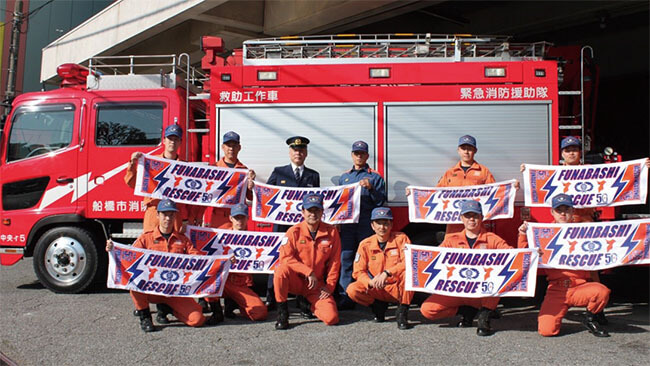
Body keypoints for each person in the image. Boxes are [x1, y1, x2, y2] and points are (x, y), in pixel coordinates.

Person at [105, 199, 216, 332]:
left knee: (197, 320)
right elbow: (129, 256)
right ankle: (145, 316)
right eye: (164, 214)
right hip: (153, 290)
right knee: (134, 282)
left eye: (171, 214)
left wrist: (223, 260)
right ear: (158, 215)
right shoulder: (146, 238)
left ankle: (170, 309)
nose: (168, 218)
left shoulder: (183, 240)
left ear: (175, 216)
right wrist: (113, 249)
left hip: (175, 291)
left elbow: (199, 260)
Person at [124, 124, 197, 322]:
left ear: (180, 142)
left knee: (172, 259)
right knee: (151, 259)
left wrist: (188, 218)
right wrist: (133, 163)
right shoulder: (150, 163)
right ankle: (146, 306)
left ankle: (166, 306)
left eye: (176, 139)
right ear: (163, 140)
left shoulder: (186, 167)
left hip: (176, 214)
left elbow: (191, 196)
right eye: (169, 138)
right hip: (154, 213)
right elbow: (131, 182)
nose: (172, 142)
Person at [517, 194, 610, 337]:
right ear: (552, 212)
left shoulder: (584, 231)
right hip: (557, 289)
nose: (562, 213)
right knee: (547, 331)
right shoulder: (543, 233)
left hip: (580, 287)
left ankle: (590, 318)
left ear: (573, 211)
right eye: (558, 210)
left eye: (566, 209)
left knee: (601, 291)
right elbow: (524, 254)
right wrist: (523, 234)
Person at [419, 200, 512, 336]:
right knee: (427, 310)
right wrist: (410, 252)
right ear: (461, 218)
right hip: (457, 290)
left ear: (481, 218)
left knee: (497, 281)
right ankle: (466, 311)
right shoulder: (452, 240)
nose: (472, 219)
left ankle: (484, 316)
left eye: (475, 215)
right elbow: (434, 257)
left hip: (482, 292)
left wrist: (529, 247)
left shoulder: (492, 239)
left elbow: (513, 256)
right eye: (468, 216)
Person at [265, 136, 320, 314]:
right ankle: (272, 298)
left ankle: (302, 300)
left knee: (303, 260)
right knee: (276, 259)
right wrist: (252, 186)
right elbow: (265, 195)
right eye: (295, 150)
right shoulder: (279, 172)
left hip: (302, 228)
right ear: (290, 153)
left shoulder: (313, 175)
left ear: (306, 153)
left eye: (301, 150)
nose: (298, 153)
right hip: (281, 227)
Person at [273, 193, 341, 329]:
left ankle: (307, 304)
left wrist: (330, 287)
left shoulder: (332, 232)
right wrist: (308, 272)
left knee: (331, 318)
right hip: (297, 280)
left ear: (322, 212)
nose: (313, 214)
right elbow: (285, 258)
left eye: (317, 210)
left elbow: (335, 262)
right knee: (280, 271)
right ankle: (282, 312)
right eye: (310, 210)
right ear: (303, 212)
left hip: (317, 285)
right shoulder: (294, 232)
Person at [336, 140, 386, 310]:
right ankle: (346, 296)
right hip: (348, 225)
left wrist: (371, 188)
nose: (359, 156)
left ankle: (370, 295)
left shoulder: (375, 177)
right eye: (356, 153)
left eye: (362, 153)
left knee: (369, 261)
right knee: (346, 258)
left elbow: (380, 201)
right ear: (352, 155)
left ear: (367, 156)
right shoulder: (345, 177)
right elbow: (338, 202)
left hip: (366, 224)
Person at [346, 207, 412, 329]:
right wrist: (370, 282)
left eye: (386, 223)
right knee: (352, 289)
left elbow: (409, 262)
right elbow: (358, 271)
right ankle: (377, 306)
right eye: (379, 223)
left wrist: (387, 273)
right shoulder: (365, 244)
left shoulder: (401, 239)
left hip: (396, 288)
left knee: (410, 274)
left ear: (391, 224)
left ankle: (402, 312)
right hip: (376, 287)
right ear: (372, 225)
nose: (382, 227)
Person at [204, 203, 268, 322]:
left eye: (242, 217)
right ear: (230, 218)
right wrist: (224, 260)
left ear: (248, 218)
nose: (239, 221)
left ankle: (236, 305)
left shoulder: (255, 238)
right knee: (208, 279)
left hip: (240, 284)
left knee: (260, 313)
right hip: (224, 280)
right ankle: (217, 312)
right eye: (236, 218)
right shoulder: (220, 236)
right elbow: (207, 258)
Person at [202, 131, 256, 229]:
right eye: (228, 145)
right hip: (219, 218)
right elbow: (203, 194)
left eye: (234, 145)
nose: (231, 149)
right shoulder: (214, 169)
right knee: (219, 244)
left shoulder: (244, 170)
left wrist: (251, 187)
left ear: (239, 148)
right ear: (223, 147)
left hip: (239, 218)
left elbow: (250, 198)